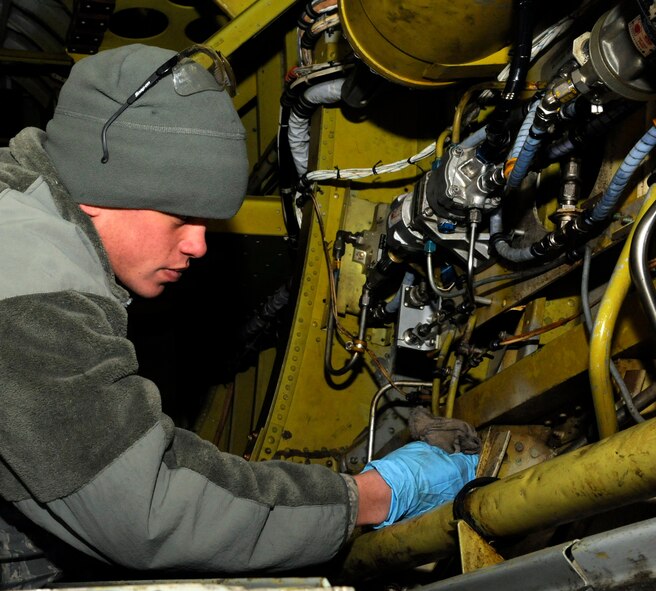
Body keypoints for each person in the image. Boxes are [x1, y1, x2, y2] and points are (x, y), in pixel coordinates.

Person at [0, 43, 479, 588]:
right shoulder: (28, 282)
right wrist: (375, 496)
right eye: (181, 217)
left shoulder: (23, 217)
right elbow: (149, 511)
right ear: (101, 187)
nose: (199, 245)